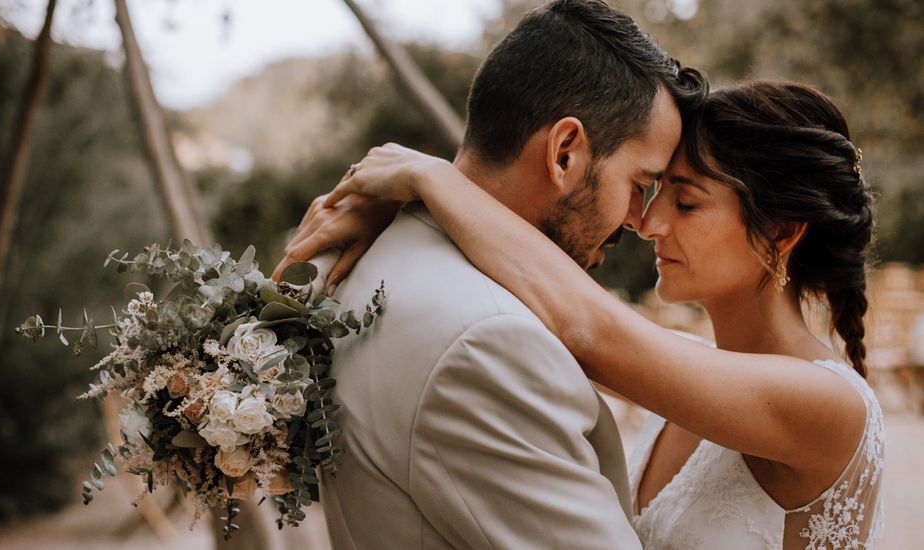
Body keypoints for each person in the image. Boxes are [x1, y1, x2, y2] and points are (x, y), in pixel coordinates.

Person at [277, 81, 885, 549]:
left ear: (780, 231)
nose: (648, 224)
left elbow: (583, 324)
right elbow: (526, 317)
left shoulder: (826, 405)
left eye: (688, 201)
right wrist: (405, 220)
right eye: (654, 191)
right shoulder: (691, 375)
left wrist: (431, 179)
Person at [271, 1, 705, 548]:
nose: (643, 222)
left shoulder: (371, 258)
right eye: (641, 184)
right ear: (564, 153)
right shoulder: (492, 343)